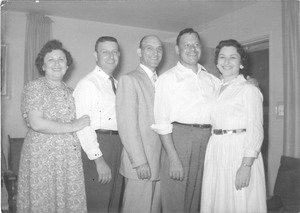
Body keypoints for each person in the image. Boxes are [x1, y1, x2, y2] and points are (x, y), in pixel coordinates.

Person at [151, 28, 220, 213]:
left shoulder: (213, 80)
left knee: (201, 200)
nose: (192, 49)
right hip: (179, 140)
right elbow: (162, 123)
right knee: (176, 201)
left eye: (196, 44)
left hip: (208, 141)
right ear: (177, 49)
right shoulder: (168, 79)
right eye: (187, 45)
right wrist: (173, 158)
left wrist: (248, 82)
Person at [17, 39, 90, 213]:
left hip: (68, 159)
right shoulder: (35, 87)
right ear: (42, 66)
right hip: (43, 158)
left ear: (67, 65)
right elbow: (37, 123)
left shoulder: (71, 92)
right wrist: (74, 125)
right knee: (43, 201)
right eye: (51, 60)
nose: (57, 63)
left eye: (61, 60)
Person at [200, 39, 267, 213]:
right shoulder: (214, 89)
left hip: (239, 151)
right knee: (217, 200)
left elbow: (256, 130)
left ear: (241, 63)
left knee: (239, 202)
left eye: (233, 57)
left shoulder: (249, 90)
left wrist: (246, 166)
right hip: (216, 149)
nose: (226, 62)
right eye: (222, 57)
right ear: (217, 62)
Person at [73, 36, 123, 213]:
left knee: (114, 203)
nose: (111, 56)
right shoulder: (88, 84)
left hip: (118, 146)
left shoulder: (117, 84)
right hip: (98, 147)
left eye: (115, 52)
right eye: (105, 52)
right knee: (99, 204)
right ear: (96, 56)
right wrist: (99, 161)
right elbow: (83, 126)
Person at [116, 35, 163, 213]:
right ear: (139, 52)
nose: (155, 52)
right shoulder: (129, 79)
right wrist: (139, 161)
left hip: (159, 162)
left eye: (159, 49)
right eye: (149, 48)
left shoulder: (163, 81)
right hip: (141, 164)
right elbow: (127, 125)